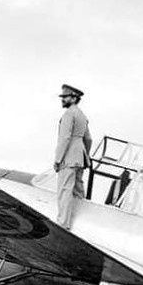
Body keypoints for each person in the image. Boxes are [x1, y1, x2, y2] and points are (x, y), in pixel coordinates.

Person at [54, 83, 92, 228]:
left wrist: (58, 160)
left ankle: (63, 224)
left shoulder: (69, 114)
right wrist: (85, 155)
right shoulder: (82, 115)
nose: (62, 100)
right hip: (80, 158)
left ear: (74, 98)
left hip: (68, 157)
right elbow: (88, 139)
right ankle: (78, 224)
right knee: (78, 192)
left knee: (64, 190)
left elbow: (65, 138)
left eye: (65, 97)